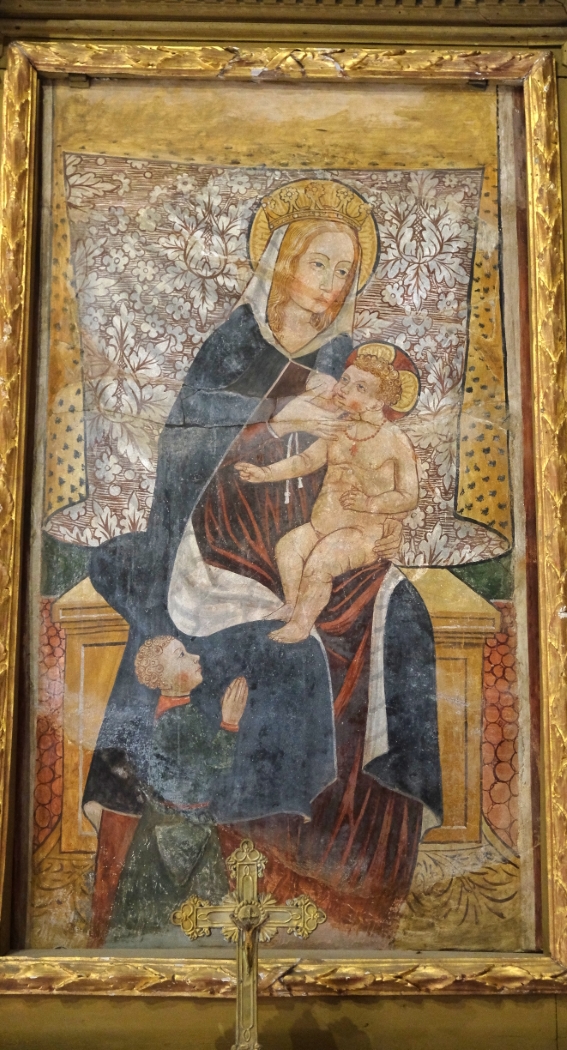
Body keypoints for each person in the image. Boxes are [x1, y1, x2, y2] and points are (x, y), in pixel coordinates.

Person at [85, 177, 441, 946]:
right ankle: (249, 862)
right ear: (280, 262)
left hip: (321, 539)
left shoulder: (346, 361)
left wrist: (379, 521)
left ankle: (362, 888)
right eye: (320, 263)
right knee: (283, 652)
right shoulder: (232, 348)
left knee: (404, 618)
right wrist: (275, 423)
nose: (332, 284)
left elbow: (376, 462)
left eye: (345, 271)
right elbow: (186, 464)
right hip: (218, 544)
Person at [235, 345, 420, 643]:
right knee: (288, 547)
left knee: (321, 560)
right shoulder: (340, 428)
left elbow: (409, 495)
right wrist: (265, 473)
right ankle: (292, 605)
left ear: (377, 402)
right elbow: (306, 461)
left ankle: (301, 625)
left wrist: (370, 503)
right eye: (345, 380)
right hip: (321, 525)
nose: (344, 388)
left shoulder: (395, 440)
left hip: (363, 535)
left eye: (359, 387)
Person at [106, 638, 248, 945]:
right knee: (181, 922)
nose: (195, 656)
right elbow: (207, 776)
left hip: (176, 825)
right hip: (178, 833)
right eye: (181, 655)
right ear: (165, 678)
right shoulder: (176, 722)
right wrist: (230, 723)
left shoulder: (181, 712)